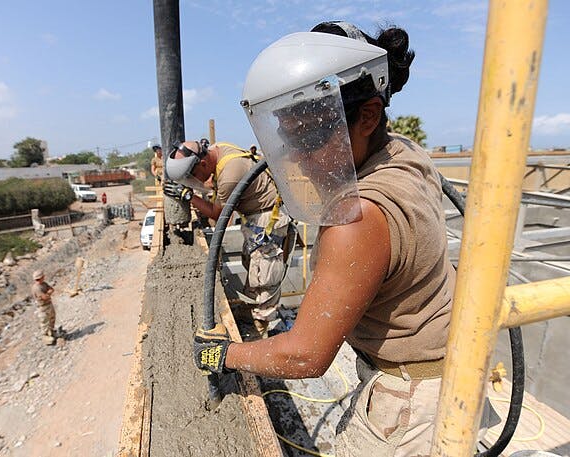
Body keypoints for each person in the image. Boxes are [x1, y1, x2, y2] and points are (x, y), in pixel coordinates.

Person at [194, 22, 475, 455]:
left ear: (369, 115)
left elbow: (305, 356)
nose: (297, 159)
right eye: (287, 139)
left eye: (310, 136)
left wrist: (224, 354)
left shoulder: (358, 220)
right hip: (449, 365)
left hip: (412, 396)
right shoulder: (402, 150)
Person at [164, 140, 296, 336]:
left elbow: (219, 214)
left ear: (202, 164)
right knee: (254, 271)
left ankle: (259, 332)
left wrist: (188, 196)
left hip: (268, 220)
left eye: (194, 176)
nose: (196, 181)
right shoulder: (218, 150)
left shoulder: (229, 176)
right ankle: (250, 314)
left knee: (264, 280)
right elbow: (210, 184)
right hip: (256, 218)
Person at [31, 270, 57, 345]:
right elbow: (45, 297)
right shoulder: (36, 288)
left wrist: (48, 293)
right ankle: (45, 337)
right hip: (42, 307)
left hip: (48, 304)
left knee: (52, 317)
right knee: (44, 321)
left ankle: (51, 331)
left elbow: (52, 289)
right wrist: (48, 293)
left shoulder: (44, 284)